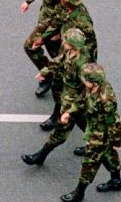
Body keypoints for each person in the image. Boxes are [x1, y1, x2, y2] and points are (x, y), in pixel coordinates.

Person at [22, 27, 93, 164]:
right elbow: (60, 60)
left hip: (74, 103)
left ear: (72, 45)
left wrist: (71, 110)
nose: (63, 41)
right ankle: (96, 143)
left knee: (59, 133)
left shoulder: (82, 64)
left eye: (65, 40)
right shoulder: (71, 52)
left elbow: (87, 90)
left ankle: (40, 156)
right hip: (69, 97)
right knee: (84, 123)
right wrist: (46, 70)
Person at [61, 62, 121, 202]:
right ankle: (116, 180)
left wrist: (116, 141)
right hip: (94, 129)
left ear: (93, 82)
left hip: (100, 135)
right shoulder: (91, 89)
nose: (83, 80)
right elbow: (82, 100)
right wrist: (69, 112)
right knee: (109, 156)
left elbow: (114, 121)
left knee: (90, 162)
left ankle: (79, 192)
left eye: (86, 79)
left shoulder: (106, 99)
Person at [21, 0, 67, 97]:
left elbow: (63, 9)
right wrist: (28, 1)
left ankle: (55, 78)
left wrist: (56, 31)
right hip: (46, 17)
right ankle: (51, 74)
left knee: (36, 47)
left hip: (53, 21)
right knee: (52, 52)